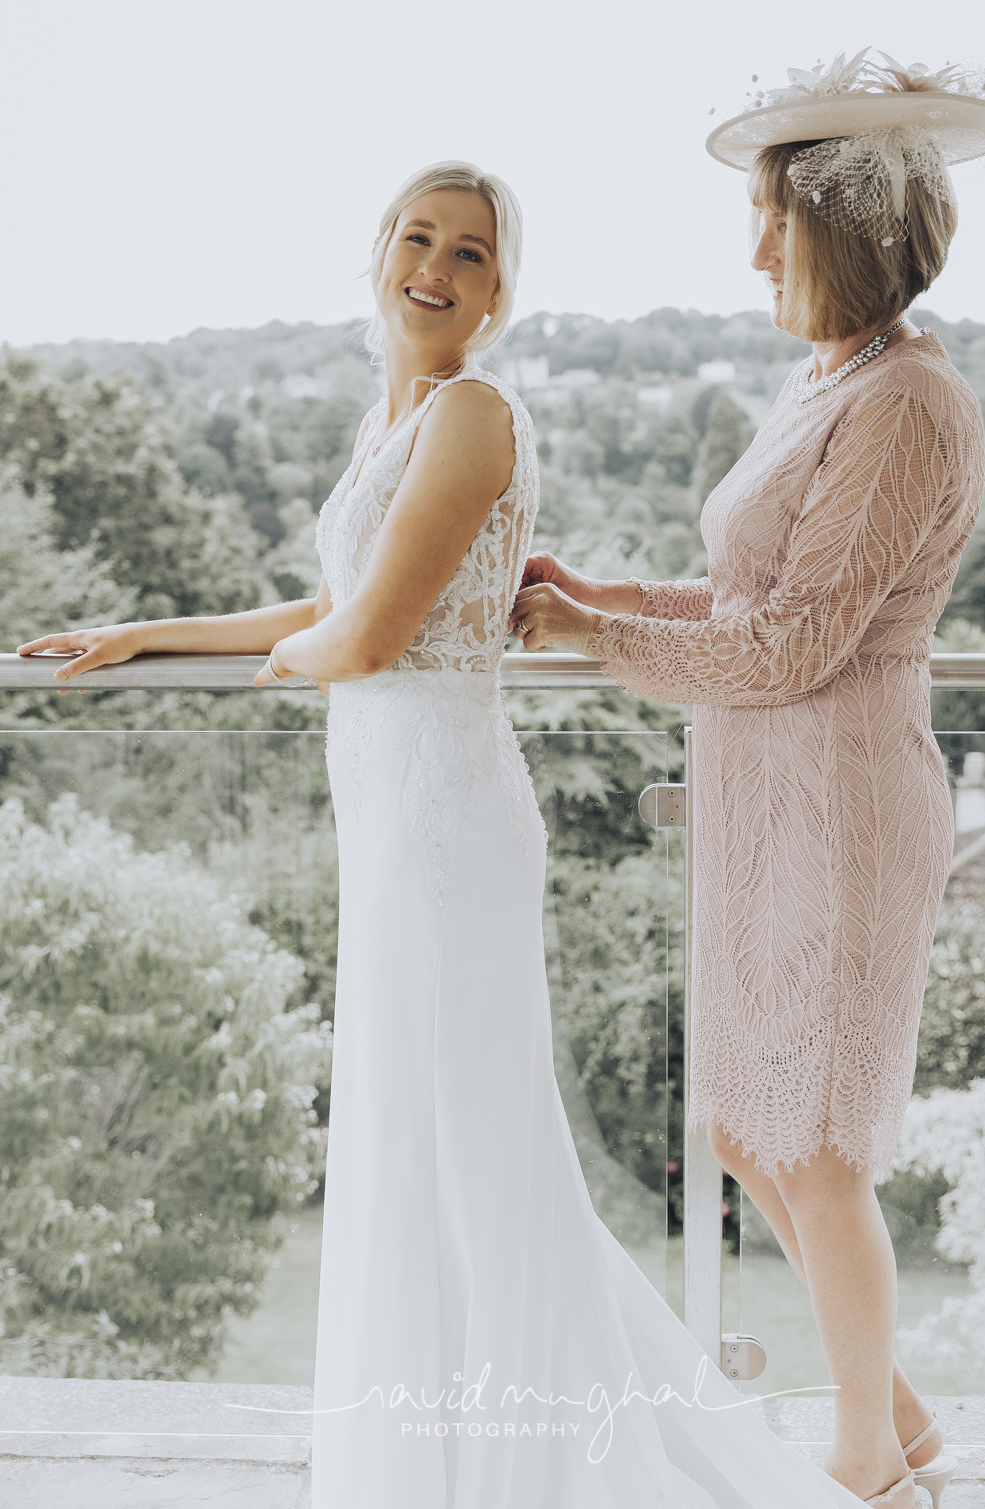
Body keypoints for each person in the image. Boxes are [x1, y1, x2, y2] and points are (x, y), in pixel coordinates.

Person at [19, 160, 867, 1509]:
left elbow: (360, 641)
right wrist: (147, 633)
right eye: (417, 238)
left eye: (469, 252)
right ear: (379, 255)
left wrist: (288, 662)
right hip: (389, 812)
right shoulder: (391, 421)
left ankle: (526, 1463)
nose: (435, 267)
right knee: (418, 1147)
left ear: (497, 292)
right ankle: (439, 1455)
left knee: (479, 1152)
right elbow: (331, 607)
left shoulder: (473, 415)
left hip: (444, 826)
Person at [509, 53, 985, 1509]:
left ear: (842, 236)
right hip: (765, 803)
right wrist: (606, 594)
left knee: (818, 1142)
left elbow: (795, 643)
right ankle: (896, 1409)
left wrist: (592, 637)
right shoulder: (828, 380)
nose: (751, 257)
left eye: (770, 226)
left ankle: (868, 1459)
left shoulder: (906, 402)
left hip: (841, 808)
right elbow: (756, 593)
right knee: (748, 1126)